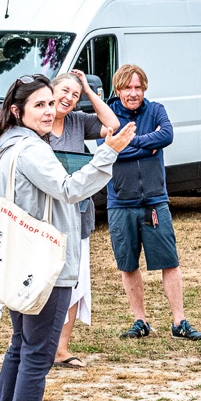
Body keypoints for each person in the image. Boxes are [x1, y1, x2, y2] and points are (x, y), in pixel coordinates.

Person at [0, 76, 137, 401]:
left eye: (52, 103)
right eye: (40, 105)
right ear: (18, 111)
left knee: (20, 346)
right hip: (45, 265)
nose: (50, 111)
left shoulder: (7, 145)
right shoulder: (31, 150)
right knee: (37, 354)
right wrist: (108, 154)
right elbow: (69, 189)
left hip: (21, 261)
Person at [104, 64, 201, 341]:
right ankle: (140, 321)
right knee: (128, 264)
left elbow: (167, 135)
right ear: (118, 90)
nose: (133, 93)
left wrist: (129, 141)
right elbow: (109, 152)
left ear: (144, 88)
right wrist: (147, 145)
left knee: (169, 262)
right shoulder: (109, 114)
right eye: (127, 88)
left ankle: (179, 322)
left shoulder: (156, 109)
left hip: (154, 201)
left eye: (138, 87)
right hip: (120, 202)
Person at [47, 70, 121, 368]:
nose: (68, 98)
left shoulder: (79, 121)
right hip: (44, 216)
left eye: (74, 95)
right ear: (50, 90)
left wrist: (90, 94)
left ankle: (61, 349)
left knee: (75, 282)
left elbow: (113, 124)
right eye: (64, 90)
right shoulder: (35, 124)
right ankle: (40, 344)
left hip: (77, 216)